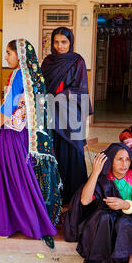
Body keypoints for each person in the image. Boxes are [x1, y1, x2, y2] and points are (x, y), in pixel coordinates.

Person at [0, 39, 62, 249]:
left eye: (8, 53)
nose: (6, 57)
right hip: (25, 133)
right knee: (21, 177)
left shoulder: (19, 74)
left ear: (19, 55)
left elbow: (9, 105)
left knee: (12, 178)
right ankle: (30, 222)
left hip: (13, 134)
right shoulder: (34, 77)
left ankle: (7, 225)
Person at [64, 143, 132, 263]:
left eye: (127, 159)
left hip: (127, 217)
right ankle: (100, 260)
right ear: (110, 161)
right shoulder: (103, 178)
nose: (124, 164)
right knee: (104, 217)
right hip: (104, 218)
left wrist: (125, 205)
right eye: (119, 159)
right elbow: (85, 200)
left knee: (124, 223)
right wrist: (95, 172)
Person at [41, 27, 92, 205]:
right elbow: (42, 86)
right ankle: (55, 195)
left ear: (70, 42)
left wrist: (64, 94)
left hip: (70, 115)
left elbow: (82, 89)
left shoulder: (77, 61)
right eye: (56, 42)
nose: (60, 46)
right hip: (51, 113)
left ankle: (75, 197)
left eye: (64, 42)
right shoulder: (48, 62)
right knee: (55, 152)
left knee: (74, 153)